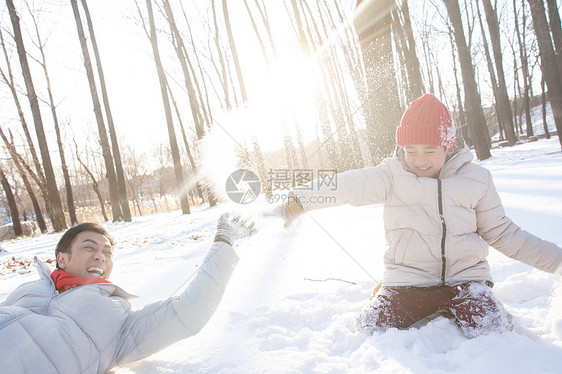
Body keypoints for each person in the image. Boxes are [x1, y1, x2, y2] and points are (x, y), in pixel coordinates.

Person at [276, 93, 562, 338]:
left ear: (449, 146)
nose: (419, 159)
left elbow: (503, 233)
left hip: (466, 281)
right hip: (408, 282)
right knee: (370, 327)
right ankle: (387, 296)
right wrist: (299, 199)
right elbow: (350, 185)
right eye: (410, 150)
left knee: (494, 330)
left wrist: (557, 261)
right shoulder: (391, 175)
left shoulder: (477, 179)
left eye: (430, 150)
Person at [0, 213, 255, 373]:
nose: (100, 255)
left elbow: (186, 312)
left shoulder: (116, 316)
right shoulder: (28, 289)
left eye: (108, 252)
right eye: (90, 247)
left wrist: (223, 242)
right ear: (62, 259)